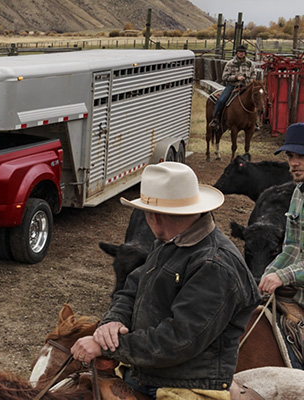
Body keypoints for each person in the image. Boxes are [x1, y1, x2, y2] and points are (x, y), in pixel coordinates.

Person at [71, 162, 260, 399]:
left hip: (186, 383)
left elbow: (178, 341)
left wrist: (108, 346)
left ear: (155, 217)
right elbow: (132, 287)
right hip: (146, 371)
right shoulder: (171, 242)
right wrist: (113, 320)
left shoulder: (214, 265)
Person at [258, 122, 304, 368]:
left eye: (301, 156)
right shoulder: (299, 192)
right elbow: (292, 248)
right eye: (290, 156)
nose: (293, 163)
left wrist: (284, 276)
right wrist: (268, 274)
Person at [209, 44, 257, 128]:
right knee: (221, 100)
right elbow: (224, 77)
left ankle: (255, 121)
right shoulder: (230, 63)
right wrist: (236, 77)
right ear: (236, 53)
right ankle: (215, 118)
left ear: (245, 53)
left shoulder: (250, 63)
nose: (241, 54)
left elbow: (254, 74)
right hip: (233, 86)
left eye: (243, 52)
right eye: (239, 52)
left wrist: (250, 80)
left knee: (256, 99)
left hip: (246, 86)